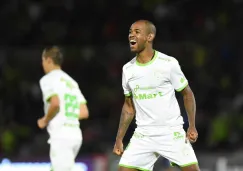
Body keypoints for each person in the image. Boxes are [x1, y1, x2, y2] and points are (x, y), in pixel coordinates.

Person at [113, 20, 200, 171]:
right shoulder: (127, 69)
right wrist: (119, 138)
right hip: (144, 134)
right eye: (130, 32)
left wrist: (192, 125)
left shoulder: (168, 63)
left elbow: (187, 94)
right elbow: (128, 107)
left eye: (137, 32)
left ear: (150, 37)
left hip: (171, 132)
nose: (131, 35)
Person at [37, 46, 89, 171]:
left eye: (42, 60)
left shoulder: (48, 79)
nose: (42, 64)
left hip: (61, 136)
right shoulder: (72, 82)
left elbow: (55, 103)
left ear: (48, 60)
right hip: (75, 135)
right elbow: (84, 112)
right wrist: (67, 114)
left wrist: (45, 120)